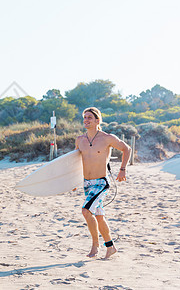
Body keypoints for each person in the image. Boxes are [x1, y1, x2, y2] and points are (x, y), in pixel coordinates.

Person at [75, 107, 131, 259]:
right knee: (98, 216)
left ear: (97, 120)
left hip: (101, 183)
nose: (86, 120)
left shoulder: (107, 138)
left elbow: (127, 149)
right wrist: (73, 181)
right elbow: (75, 162)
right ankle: (110, 247)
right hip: (87, 183)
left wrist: (123, 169)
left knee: (86, 211)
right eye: (84, 117)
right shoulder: (80, 140)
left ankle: (95, 245)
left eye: (89, 118)